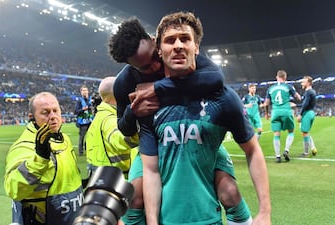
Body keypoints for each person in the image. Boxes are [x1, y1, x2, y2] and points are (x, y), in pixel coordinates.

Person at [108, 18, 251, 225]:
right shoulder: (124, 83)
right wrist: (133, 112)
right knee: (135, 198)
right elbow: (124, 127)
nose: (155, 67)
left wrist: (157, 88)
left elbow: (216, 79)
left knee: (229, 191)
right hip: (154, 142)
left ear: (154, 40)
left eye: (153, 58)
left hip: (198, 134)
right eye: (144, 68)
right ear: (130, 66)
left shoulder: (176, 51)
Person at [138, 11, 271, 225]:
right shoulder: (150, 103)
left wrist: (265, 212)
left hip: (209, 219)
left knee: (229, 190)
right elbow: (151, 170)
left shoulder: (223, 97)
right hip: (167, 220)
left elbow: (252, 149)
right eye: (170, 40)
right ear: (160, 51)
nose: (178, 45)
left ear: (196, 48)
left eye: (185, 39)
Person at [4, 92, 83, 225]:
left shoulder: (63, 138)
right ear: (32, 117)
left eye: (55, 110)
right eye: (45, 112)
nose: (52, 116)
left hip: (71, 218)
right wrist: (40, 158)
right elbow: (13, 189)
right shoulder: (24, 146)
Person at [85, 76, 139, 176]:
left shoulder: (101, 116)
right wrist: (141, 130)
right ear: (118, 93)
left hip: (103, 179)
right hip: (118, 183)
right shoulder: (109, 119)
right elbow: (122, 139)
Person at [263, 70, 301, 163]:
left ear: (277, 77)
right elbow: (298, 98)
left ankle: (278, 156)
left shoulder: (270, 88)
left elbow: (266, 103)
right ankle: (286, 150)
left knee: (276, 134)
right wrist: (294, 101)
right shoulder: (289, 87)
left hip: (275, 112)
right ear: (285, 77)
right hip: (286, 111)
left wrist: (267, 113)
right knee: (291, 131)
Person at [296, 75, 317, 157]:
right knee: (306, 132)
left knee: (304, 133)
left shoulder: (308, 92)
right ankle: (313, 147)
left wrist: (300, 114)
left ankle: (306, 152)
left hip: (307, 113)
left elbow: (305, 104)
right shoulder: (312, 91)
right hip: (311, 112)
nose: (302, 83)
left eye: (303, 82)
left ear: (308, 83)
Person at [74, 85, 93, 156]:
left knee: (91, 136)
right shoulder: (79, 101)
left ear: (88, 91)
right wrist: (83, 109)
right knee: (82, 137)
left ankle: (88, 149)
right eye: (83, 90)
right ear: (81, 92)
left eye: (86, 90)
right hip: (83, 122)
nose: (84, 92)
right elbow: (76, 111)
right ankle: (81, 152)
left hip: (91, 121)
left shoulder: (91, 99)